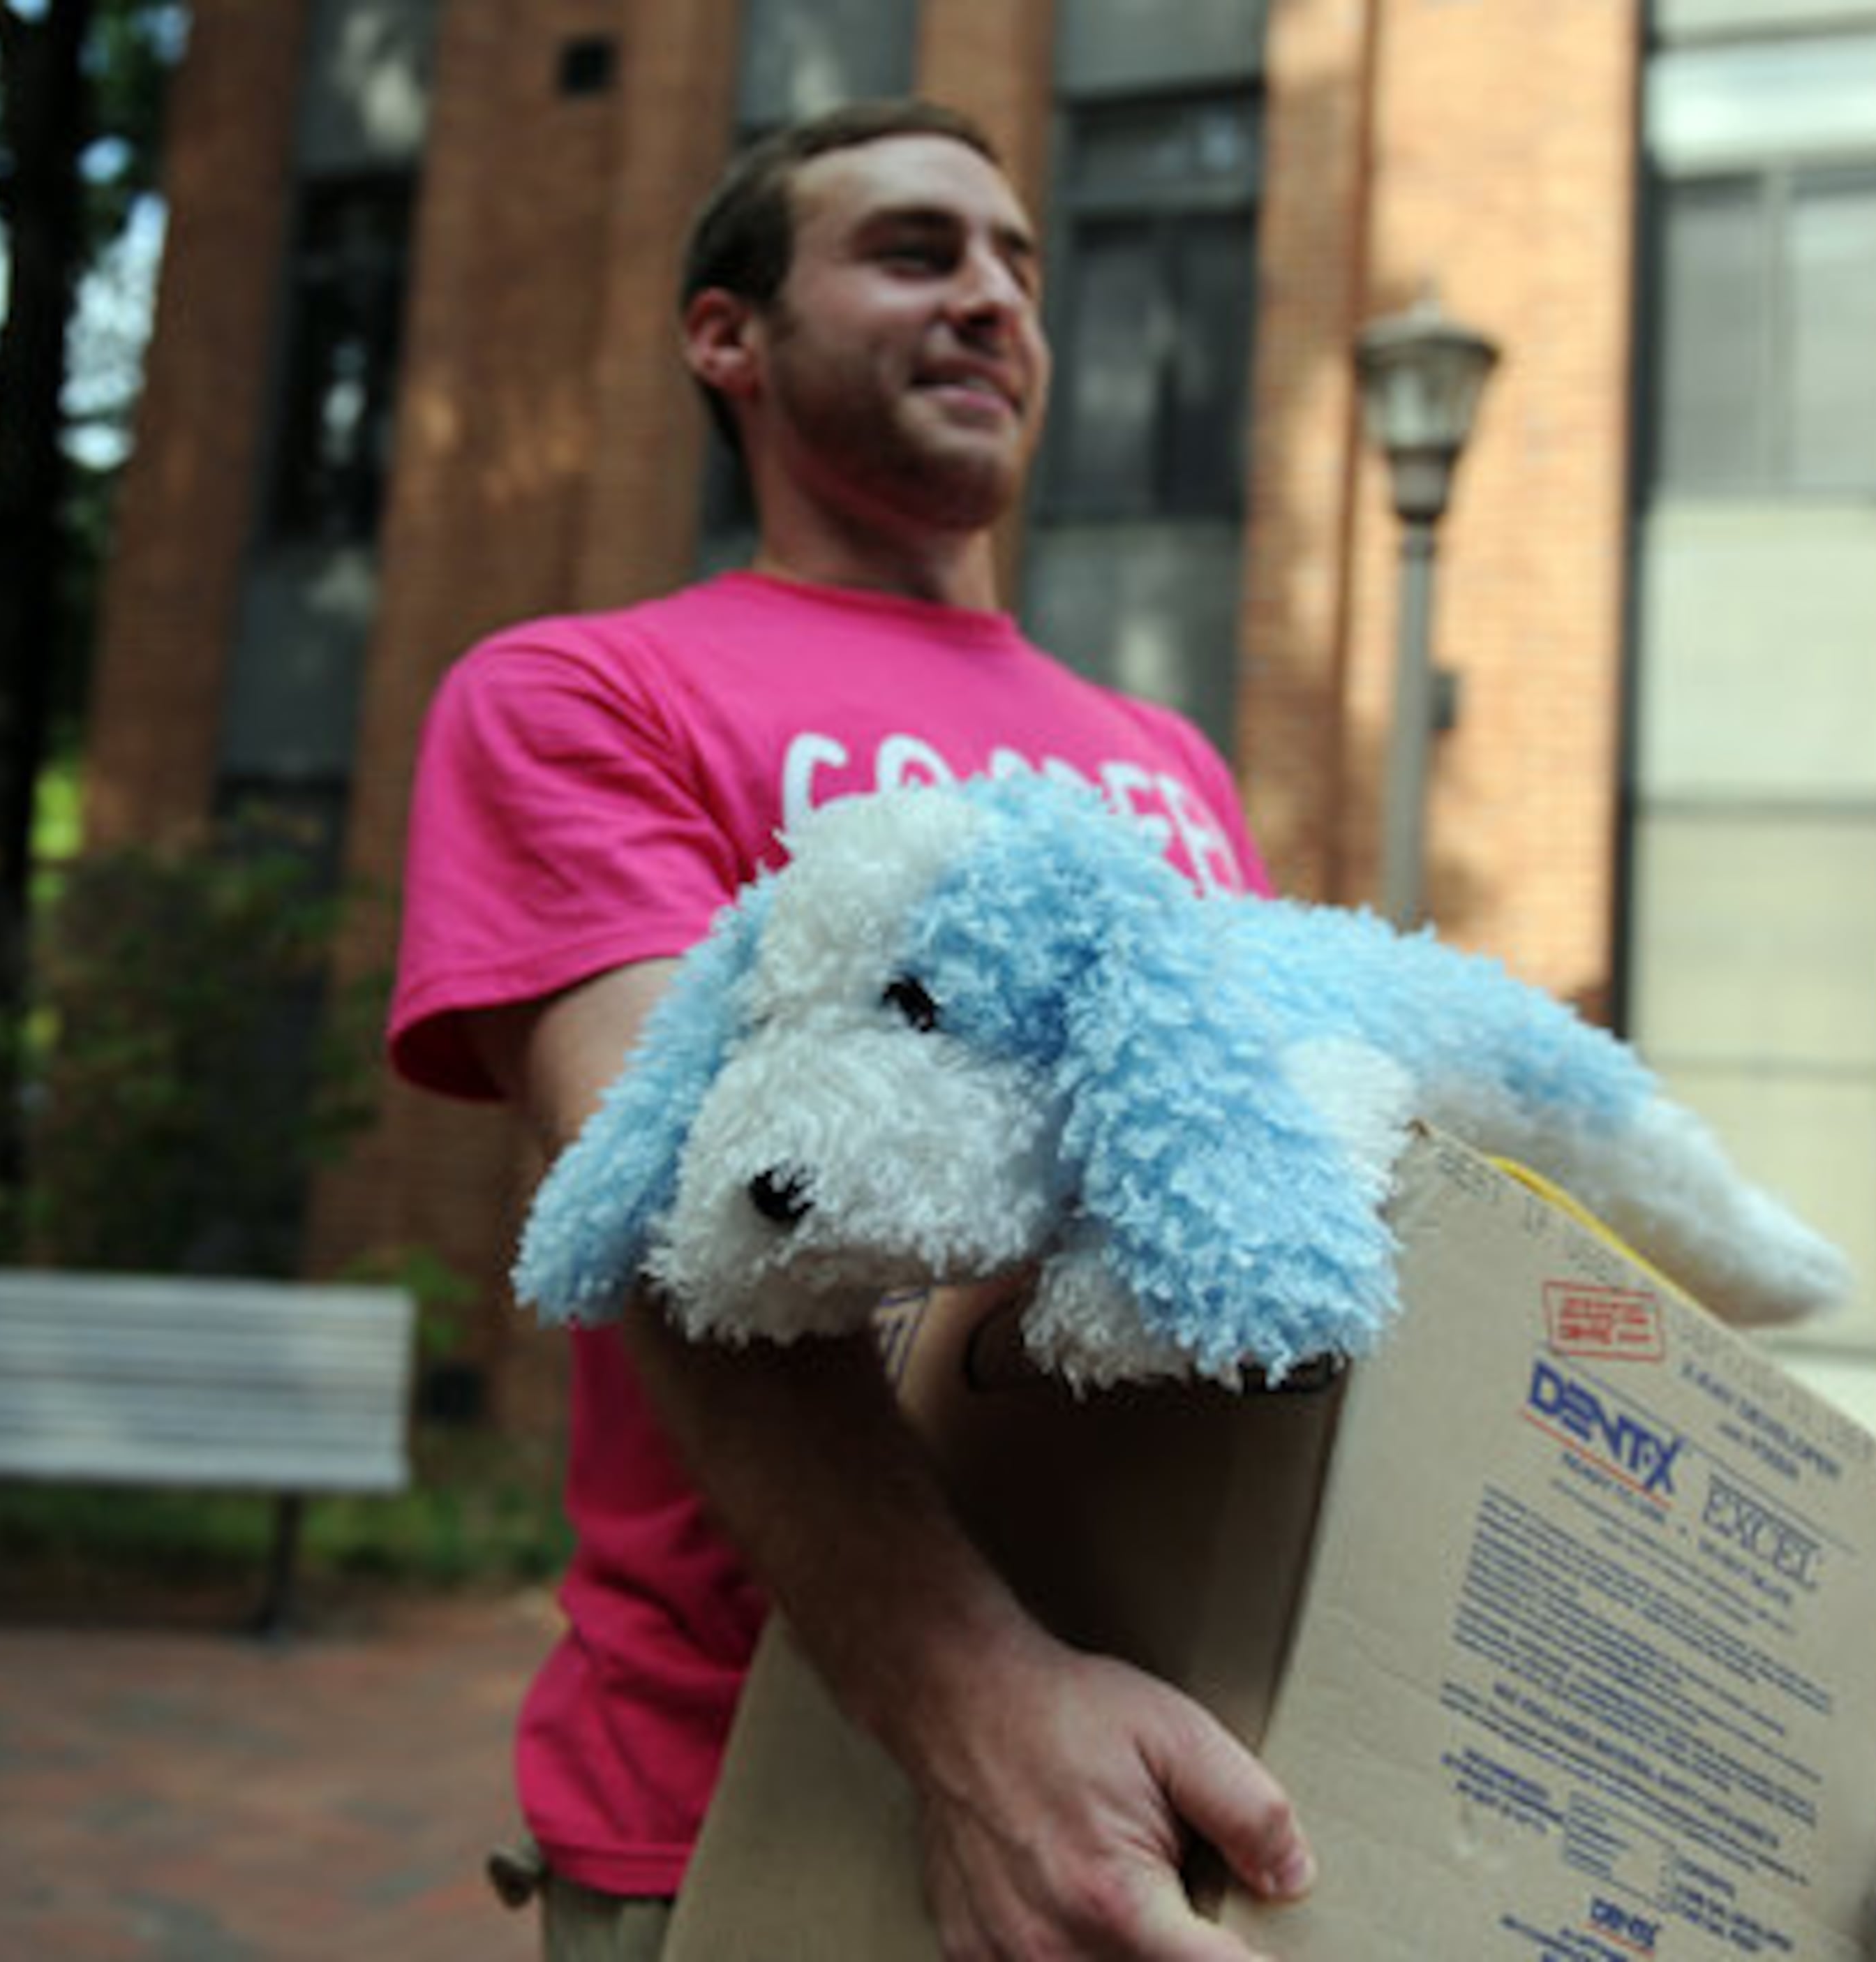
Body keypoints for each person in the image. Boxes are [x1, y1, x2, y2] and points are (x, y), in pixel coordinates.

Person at [389, 98, 1312, 1961]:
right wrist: (980, 1711)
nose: (989, 298)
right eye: (912, 252)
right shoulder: (583, 693)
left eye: (1015, 266)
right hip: (755, 1803)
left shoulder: (1171, 765)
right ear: (727, 336)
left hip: (1192, 1771)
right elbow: (678, 1211)